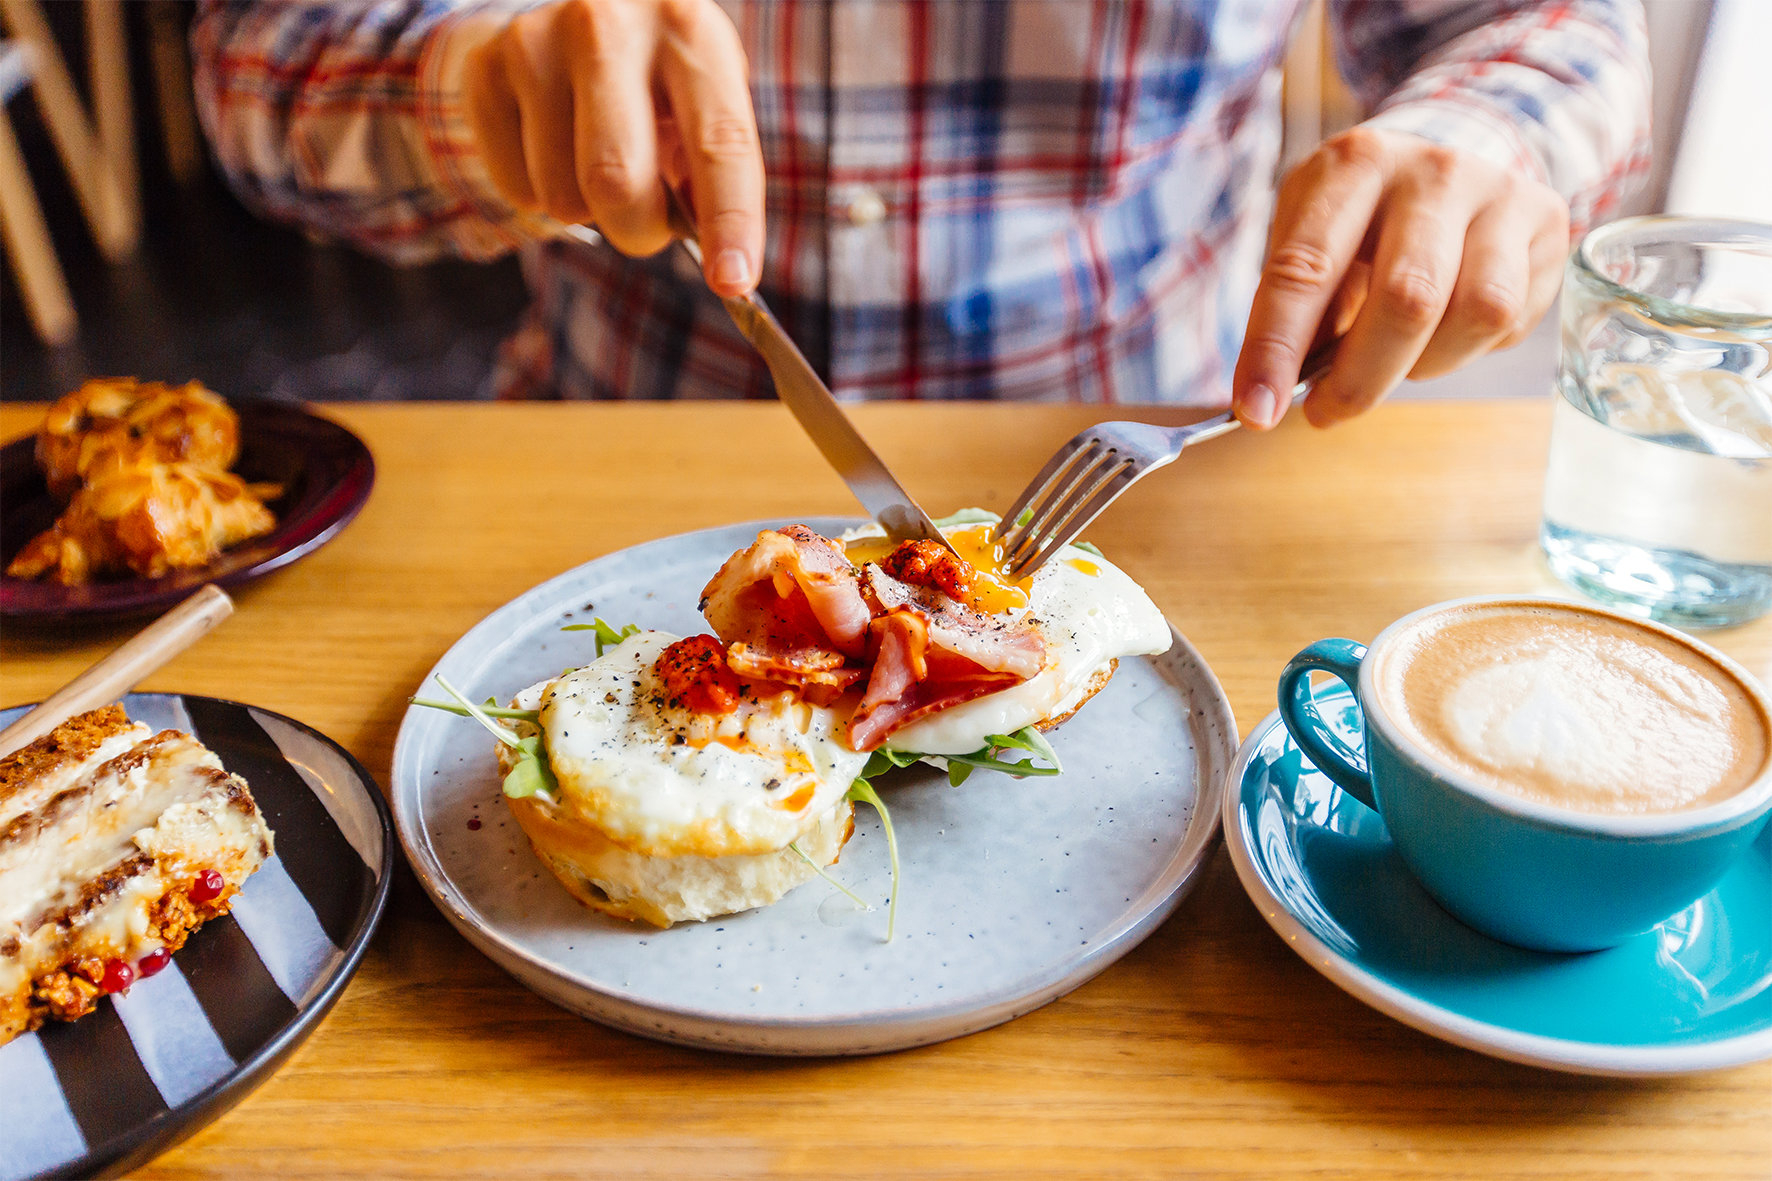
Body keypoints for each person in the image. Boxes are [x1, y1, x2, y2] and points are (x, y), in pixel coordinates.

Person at [191, 0, 1648, 425]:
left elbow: (1549, 24)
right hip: (608, 475)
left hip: (1153, 494)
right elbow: (255, 61)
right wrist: (469, 80)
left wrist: (1484, 136)